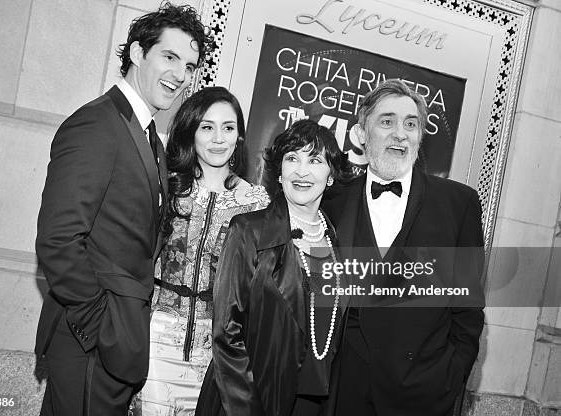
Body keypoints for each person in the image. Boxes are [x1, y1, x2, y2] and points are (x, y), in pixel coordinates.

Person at [34, 4, 211, 415]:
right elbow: (58, 239)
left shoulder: (148, 135)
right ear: (136, 53)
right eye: (169, 57)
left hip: (115, 344)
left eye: (189, 65)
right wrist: (100, 326)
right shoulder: (98, 124)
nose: (180, 76)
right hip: (91, 343)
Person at [322, 79, 485, 416]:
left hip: (422, 393)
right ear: (361, 134)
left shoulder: (459, 204)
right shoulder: (333, 199)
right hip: (340, 390)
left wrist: (449, 378)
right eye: (387, 121)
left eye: (411, 124)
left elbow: (467, 309)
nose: (400, 133)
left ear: (420, 136)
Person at [196, 119, 355, 416]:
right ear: (279, 173)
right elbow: (226, 332)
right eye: (292, 158)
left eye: (315, 160)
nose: (302, 171)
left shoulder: (335, 244)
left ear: (331, 175)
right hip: (252, 399)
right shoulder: (249, 231)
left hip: (313, 405)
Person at [136, 86, 269, 415]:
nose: (218, 138)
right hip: (157, 337)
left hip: (220, 352)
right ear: (191, 132)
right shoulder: (165, 188)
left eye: (228, 128)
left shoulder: (256, 203)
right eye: (207, 127)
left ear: (239, 136)